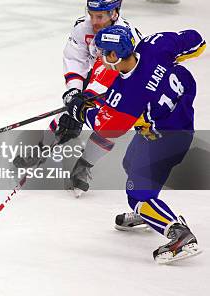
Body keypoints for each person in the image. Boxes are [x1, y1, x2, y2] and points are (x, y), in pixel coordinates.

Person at [64, 25, 206, 263]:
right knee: (130, 162)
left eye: (104, 53)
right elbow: (195, 40)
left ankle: (179, 234)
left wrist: (79, 111)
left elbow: (107, 126)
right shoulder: (154, 45)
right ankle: (150, 213)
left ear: (114, 55)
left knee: (136, 193)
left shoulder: (128, 96)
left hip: (164, 140)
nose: (101, 58)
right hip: (177, 121)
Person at [14, 0, 142, 196]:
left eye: (99, 16)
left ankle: (84, 167)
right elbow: (75, 58)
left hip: (127, 84)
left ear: (114, 14)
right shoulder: (83, 27)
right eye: (91, 15)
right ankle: (41, 149)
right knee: (68, 112)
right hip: (98, 76)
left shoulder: (124, 36)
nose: (94, 20)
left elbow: (111, 71)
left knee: (107, 125)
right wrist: (74, 93)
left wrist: (85, 100)